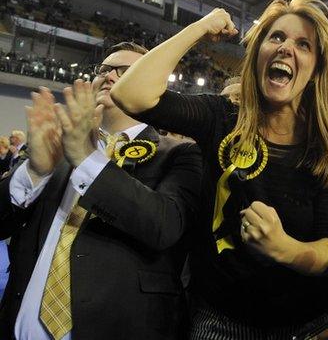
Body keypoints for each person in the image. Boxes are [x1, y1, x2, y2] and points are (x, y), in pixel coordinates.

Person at [110, 0, 328, 339]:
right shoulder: (222, 117)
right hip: (221, 321)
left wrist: (286, 248)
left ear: (316, 71)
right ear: (257, 55)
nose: (286, 48)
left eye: (304, 44)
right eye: (276, 37)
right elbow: (130, 94)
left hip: (307, 325)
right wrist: (198, 28)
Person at [0, 42, 203, 339]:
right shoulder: (58, 148)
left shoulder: (180, 154)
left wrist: (86, 157)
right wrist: (35, 171)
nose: (109, 76)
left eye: (127, 71)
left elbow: (164, 226)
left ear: (152, 87)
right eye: (104, 69)